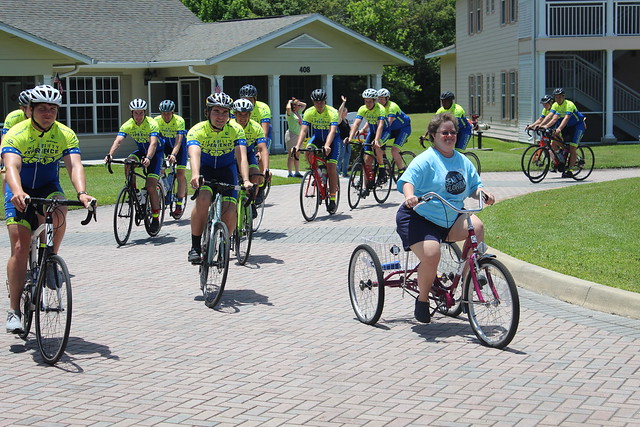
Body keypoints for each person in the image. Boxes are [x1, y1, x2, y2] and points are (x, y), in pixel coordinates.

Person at [2, 85, 95, 333]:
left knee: (61, 207)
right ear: (30, 110)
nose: (48, 113)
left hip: (47, 186)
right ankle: (13, 310)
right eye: (42, 109)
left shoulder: (65, 134)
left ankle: (49, 258)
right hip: (19, 189)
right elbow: (11, 166)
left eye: (52, 109)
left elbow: (74, 165)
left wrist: (82, 193)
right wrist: (18, 191)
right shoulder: (16, 132)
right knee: (20, 248)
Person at [396, 112, 495, 324]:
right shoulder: (426, 160)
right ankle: (422, 301)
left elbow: (475, 187)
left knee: (476, 227)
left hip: (451, 216)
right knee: (432, 254)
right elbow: (407, 180)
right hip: (419, 217)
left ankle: (469, 289)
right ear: (433, 135)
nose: (449, 136)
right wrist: (410, 196)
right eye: (444, 132)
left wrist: (483, 195)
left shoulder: (462, 160)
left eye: (453, 132)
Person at [186, 92, 253, 264]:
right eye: (216, 111)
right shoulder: (197, 130)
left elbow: (242, 157)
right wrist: (195, 175)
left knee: (230, 210)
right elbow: (194, 154)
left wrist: (245, 180)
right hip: (206, 169)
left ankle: (225, 243)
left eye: (225, 112)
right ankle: (195, 247)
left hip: (227, 170)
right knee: (203, 198)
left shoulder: (236, 129)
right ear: (207, 112)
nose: (221, 116)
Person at [105, 98, 162, 233]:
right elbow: (118, 140)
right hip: (141, 151)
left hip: (155, 153)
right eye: (135, 113)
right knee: (128, 162)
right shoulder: (128, 124)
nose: (138, 116)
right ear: (132, 113)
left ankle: (155, 218)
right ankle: (134, 190)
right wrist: (110, 155)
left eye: (141, 113)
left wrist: (148, 158)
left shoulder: (152, 123)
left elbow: (153, 143)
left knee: (150, 186)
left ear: (144, 113)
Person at [292, 88, 340, 214]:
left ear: (325, 102)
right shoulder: (309, 112)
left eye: (322, 102)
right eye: (316, 102)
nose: (319, 104)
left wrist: (328, 145)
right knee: (308, 150)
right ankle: (318, 172)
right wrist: (297, 146)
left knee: (331, 167)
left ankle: (333, 198)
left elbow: (332, 131)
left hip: (333, 140)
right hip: (318, 138)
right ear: (313, 102)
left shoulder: (332, 112)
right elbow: (303, 130)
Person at [538, 88, 587, 178]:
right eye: (556, 97)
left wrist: (559, 129)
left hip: (578, 126)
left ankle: (570, 170)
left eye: (560, 97)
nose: (558, 99)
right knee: (554, 139)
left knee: (572, 148)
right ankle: (561, 158)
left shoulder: (569, 104)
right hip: (567, 127)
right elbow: (552, 117)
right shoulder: (555, 105)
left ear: (563, 97)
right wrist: (542, 126)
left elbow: (566, 118)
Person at [344, 88, 387, 189]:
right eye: (366, 101)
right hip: (372, 131)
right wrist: (350, 137)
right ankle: (366, 184)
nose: (367, 103)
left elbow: (380, 125)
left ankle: (382, 168)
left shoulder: (380, 109)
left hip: (384, 131)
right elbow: (356, 123)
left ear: (374, 101)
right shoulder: (363, 109)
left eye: (370, 101)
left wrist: (376, 140)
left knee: (377, 147)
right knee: (367, 159)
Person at [155, 100, 187, 218]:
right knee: (159, 170)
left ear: (173, 112)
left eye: (168, 113)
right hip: (166, 146)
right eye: (164, 113)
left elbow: (179, 141)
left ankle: (179, 204)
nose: (166, 116)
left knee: (180, 174)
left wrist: (173, 155)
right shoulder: (156, 121)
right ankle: (162, 193)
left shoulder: (179, 121)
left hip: (180, 147)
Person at [231, 98, 268, 201]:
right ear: (234, 114)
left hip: (248, 154)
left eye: (245, 115)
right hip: (231, 156)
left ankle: (251, 203)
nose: (243, 118)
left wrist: (265, 169)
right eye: (240, 114)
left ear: (250, 115)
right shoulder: (229, 125)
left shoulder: (256, 127)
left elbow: (262, 148)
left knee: (255, 174)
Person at [239, 84, 271, 202]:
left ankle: (261, 186)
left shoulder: (263, 108)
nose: (248, 102)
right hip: (243, 139)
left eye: (250, 100)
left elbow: (264, 132)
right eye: (245, 99)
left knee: (260, 159)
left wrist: (258, 150)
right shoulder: (237, 109)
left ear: (255, 99)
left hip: (259, 134)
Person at [2, 89, 33, 193]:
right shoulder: (13, 117)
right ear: (23, 108)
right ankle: (9, 204)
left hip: (32, 151)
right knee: (6, 177)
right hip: (15, 149)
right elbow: (4, 140)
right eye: (31, 108)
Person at [377, 88, 412, 175]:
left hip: (403, 129)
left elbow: (388, 124)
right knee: (379, 142)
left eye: (382, 98)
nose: (380, 101)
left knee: (394, 150)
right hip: (393, 129)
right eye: (379, 98)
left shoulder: (392, 107)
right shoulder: (378, 107)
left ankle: (401, 171)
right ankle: (384, 162)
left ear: (387, 98)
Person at [284, 97, 306, 178]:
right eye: (298, 105)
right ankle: (290, 173)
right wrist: (290, 102)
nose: (300, 106)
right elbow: (288, 108)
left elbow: (305, 105)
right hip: (291, 135)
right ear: (293, 106)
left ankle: (297, 171)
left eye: (299, 105)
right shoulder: (290, 113)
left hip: (298, 135)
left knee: (297, 155)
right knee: (291, 155)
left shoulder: (298, 112)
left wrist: (298, 102)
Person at [337, 95, 352, 178]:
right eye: (345, 111)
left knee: (347, 157)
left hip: (347, 141)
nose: (346, 113)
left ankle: (345, 172)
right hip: (341, 141)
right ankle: (337, 172)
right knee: (340, 157)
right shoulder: (339, 120)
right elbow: (339, 111)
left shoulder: (346, 121)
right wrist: (343, 102)